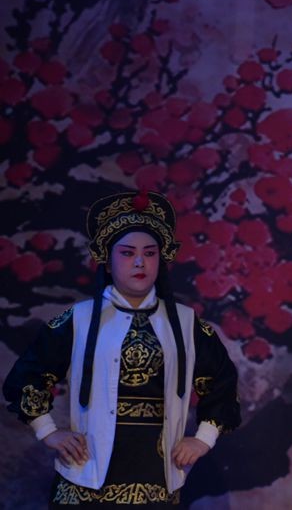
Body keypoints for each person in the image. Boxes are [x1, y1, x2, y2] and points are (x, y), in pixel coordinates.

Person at [3, 190, 241, 507]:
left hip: (157, 473)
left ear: (161, 259)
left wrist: (203, 439)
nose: (140, 262)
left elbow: (222, 382)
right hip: (86, 472)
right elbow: (27, 376)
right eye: (128, 253)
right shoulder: (79, 319)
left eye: (150, 253)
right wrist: (47, 431)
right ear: (107, 260)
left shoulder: (186, 323)